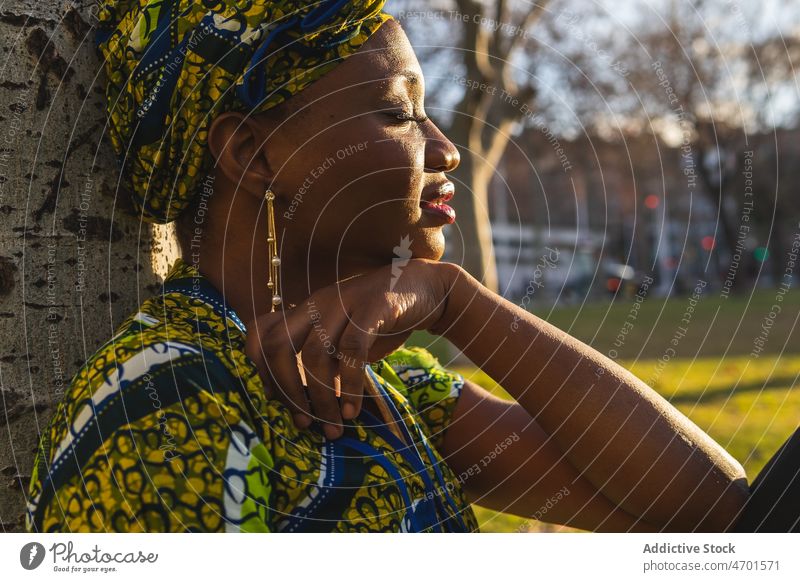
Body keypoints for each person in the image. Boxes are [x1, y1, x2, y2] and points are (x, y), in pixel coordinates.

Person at [27, 0, 756, 533]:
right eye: (399, 113)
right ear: (252, 154)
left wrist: (454, 300)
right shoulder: (162, 409)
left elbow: (716, 513)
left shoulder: (380, 392)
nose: (445, 150)